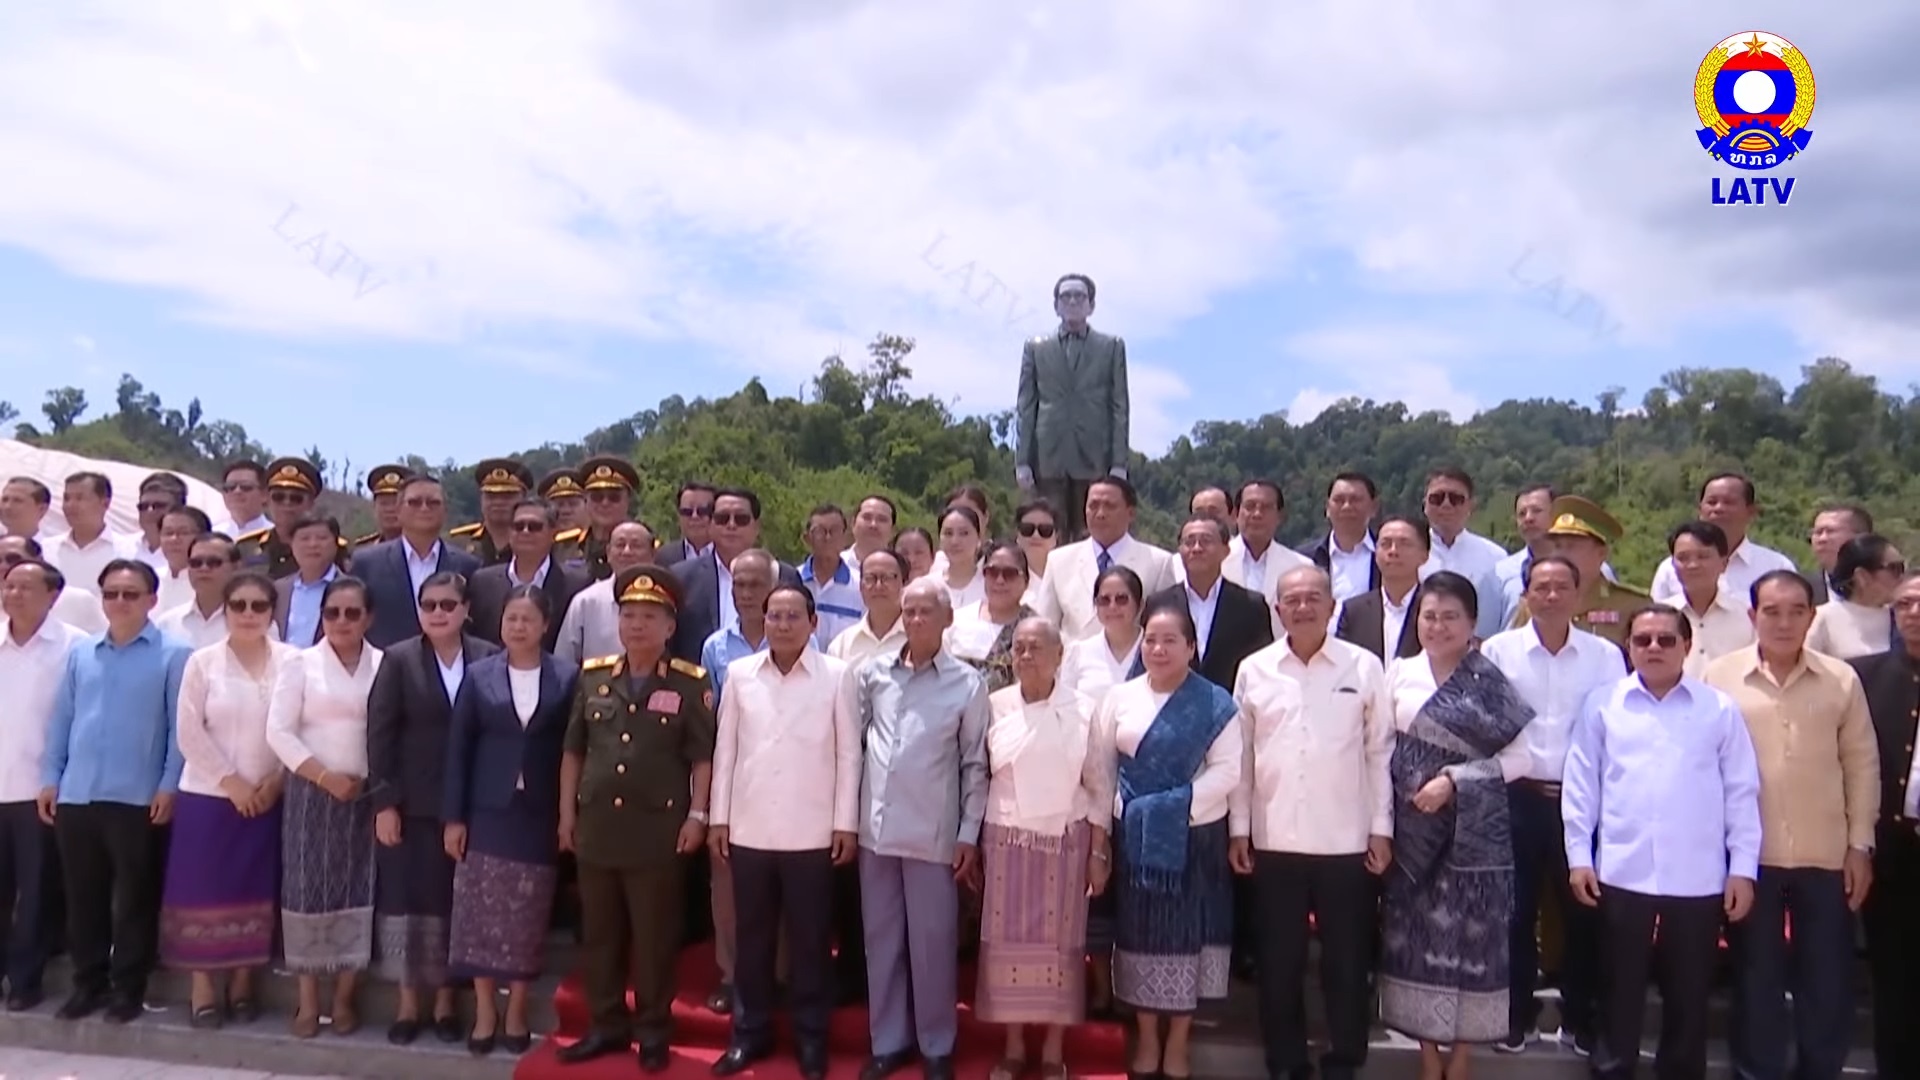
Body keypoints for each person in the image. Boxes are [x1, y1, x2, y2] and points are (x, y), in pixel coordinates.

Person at [1563, 604, 1762, 1080]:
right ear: (1628, 648)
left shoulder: (1717, 709)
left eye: (1665, 640)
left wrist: (1743, 868)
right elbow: (1581, 785)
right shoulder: (1604, 703)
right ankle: (1613, 1068)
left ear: (1687, 647)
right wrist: (1578, 856)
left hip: (1697, 875)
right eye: (1642, 640)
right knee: (1617, 988)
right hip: (1621, 869)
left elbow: (1741, 790)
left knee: (1689, 992)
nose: (1653, 648)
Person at [1705, 571, 1879, 1080]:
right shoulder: (1719, 677)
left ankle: (1819, 1069)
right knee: (1756, 978)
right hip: (1749, 858)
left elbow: (1862, 765)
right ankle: (1756, 1071)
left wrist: (1860, 846)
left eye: (1796, 611)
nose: (1783, 622)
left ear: (1811, 615)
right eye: (1772, 612)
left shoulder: (1842, 679)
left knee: (1826, 979)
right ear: (1752, 616)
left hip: (1826, 856)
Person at [1228, 566, 1392, 1080]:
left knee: (1346, 964)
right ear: (1278, 610)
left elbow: (1379, 752)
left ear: (1331, 605)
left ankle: (1344, 1059)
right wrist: (1239, 828)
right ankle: (1287, 1062)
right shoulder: (1255, 670)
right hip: (1274, 837)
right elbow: (1242, 756)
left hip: (1346, 839)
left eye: (1312, 598)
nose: (1302, 607)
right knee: (1280, 964)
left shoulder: (1363, 667)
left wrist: (1381, 827)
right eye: (1291, 600)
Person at [556, 567, 715, 1074]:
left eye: (649, 617)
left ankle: (652, 1030)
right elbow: (573, 751)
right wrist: (566, 815)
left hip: (658, 833)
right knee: (600, 933)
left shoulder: (690, 684)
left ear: (670, 628)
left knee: (653, 937)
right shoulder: (594, 675)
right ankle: (605, 1024)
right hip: (597, 828)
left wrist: (698, 815)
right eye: (629, 616)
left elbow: (702, 759)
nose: (637, 626)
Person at [1379, 571, 1533, 1080]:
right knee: (1416, 944)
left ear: (1472, 625)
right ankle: (1428, 1057)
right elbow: (1378, 750)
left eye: (1450, 617)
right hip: (1411, 835)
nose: (1438, 627)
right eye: (1429, 616)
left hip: (1471, 842)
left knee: (1471, 947)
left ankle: (1462, 1058)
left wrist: (1454, 780)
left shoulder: (1487, 680)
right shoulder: (1398, 674)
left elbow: (1522, 758)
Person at [707, 585, 860, 1080]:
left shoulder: (837, 676)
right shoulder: (739, 674)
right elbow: (725, 750)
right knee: (753, 941)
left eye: (794, 615)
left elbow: (848, 755)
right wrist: (719, 818)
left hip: (813, 832)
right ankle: (749, 1034)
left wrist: (845, 823)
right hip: (749, 828)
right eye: (775, 615)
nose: (783, 623)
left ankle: (811, 1038)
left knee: (811, 942)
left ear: (813, 623)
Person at [1478, 555, 1624, 1056]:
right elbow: (1486, 725)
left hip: (1581, 800)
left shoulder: (1605, 657)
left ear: (1579, 595)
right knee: (1513, 913)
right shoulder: (1499, 651)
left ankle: (1581, 1018)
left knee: (1584, 912)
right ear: (1526, 596)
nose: (1552, 595)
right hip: (1516, 797)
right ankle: (1515, 1018)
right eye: (1541, 587)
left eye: (1563, 586)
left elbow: (1613, 730)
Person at [38, 559, 191, 1025]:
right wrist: (52, 775)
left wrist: (167, 785)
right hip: (79, 793)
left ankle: (128, 987)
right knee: (83, 897)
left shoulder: (173, 654)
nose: (119, 602)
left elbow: (178, 729)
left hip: (137, 796)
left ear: (151, 600)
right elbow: (63, 718)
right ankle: (88, 983)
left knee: (133, 899)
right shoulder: (83, 653)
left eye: (130, 594)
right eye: (111, 594)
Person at [1097, 600, 1241, 1080]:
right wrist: (1115, 825)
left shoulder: (1215, 702)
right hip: (1135, 843)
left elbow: (1227, 772)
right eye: (1151, 640)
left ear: (1191, 647)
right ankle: (1147, 1037)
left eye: (1170, 641)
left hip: (1193, 839)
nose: (1158, 649)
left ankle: (1178, 1041)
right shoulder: (1120, 698)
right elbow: (1102, 772)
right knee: (1140, 938)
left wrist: (1169, 808)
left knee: (1187, 941)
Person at [852, 578, 989, 1080]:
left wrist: (968, 833)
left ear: (947, 619)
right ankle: (887, 1041)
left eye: (924, 611)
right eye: (907, 611)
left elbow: (975, 765)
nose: (913, 620)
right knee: (880, 940)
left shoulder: (967, 684)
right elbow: (855, 747)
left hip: (934, 834)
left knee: (932, 945)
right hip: (875, 830)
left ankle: (936, 1044)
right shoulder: (873, 673)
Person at [442, 585, 574, 1057]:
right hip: (486, 812)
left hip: (537, 814)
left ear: (544, 625)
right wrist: (453, 818)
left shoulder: (567, 676)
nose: (518, 626)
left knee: (526, 916)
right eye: (511, 618)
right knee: (478, 914)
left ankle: (516, 1009)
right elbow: (458, 751)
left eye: (527, 619)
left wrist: (568, 815)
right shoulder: (479, 677)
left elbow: (572, 750)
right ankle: (484, 1010)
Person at [366, 571, 495, 1044]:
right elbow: (379, 734)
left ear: (466, 609)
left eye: (447, 604)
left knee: (452, 905)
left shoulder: (487, 657)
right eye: (429, 605)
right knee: (406, 902)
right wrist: (384, 802)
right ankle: (407, 1005)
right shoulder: (399, 659)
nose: (438, 613)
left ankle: (444, 1003)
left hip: (468, 805)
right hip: (410, 804)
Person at [160, 572, 294, 1029]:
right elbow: (188, 731)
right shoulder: (203, 663)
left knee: (253, 888)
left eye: (259, 606)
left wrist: (275, 781)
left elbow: (299, 726)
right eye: (240, 605)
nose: (249, 614)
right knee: (203, 891)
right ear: (227, 610)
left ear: (272, 611)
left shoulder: (292, 662)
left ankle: (242, 983)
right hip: (209, 797)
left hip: (268, 795)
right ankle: (203, 989)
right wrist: (231, 782)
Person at [978, 617, 1109, 1080]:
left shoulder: (1084, 709)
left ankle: (1054, 1050)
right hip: (1007, 837)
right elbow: (979, 775)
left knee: (1060, 947)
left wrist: (1098, 850)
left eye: (1037, 647)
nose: (1027, 655)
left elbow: (1098, 784)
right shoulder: (994, 706)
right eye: (1020, 648)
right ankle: (1013, 1047)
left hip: (1065, 842)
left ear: (1059, 655)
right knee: (1007, 948)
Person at [265, 576, 383, 1038]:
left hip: (366, 794)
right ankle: (308, 1001)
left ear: (368, 618)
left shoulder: (384, 664)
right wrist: (323, 777)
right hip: (312, 793)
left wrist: (364, 782)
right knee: (305, 893)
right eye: (332, 613)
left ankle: (345, 999)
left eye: (352, 613)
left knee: (360, 889)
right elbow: (279, 731)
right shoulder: (301, 664)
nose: (341, 621)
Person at [0, 557, 87, 1011]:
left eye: (24, 587)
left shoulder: (76, 648)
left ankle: (25, 981)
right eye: (8, 585)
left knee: (36, 892)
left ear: (52, 596)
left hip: (41, 789)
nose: (12, 594)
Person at [1847, 573, 1920, 1079]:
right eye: (1905, 603)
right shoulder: (1862, 677)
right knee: (1894, 979)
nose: (1913, 612)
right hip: (1891, 854)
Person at [1014, 272, 1130, 540]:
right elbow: (1026, 406)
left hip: (1095, 456)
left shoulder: (1111, 347)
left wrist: (1119, 462)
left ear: (1091, 305)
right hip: (1048, 456)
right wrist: (1022, 461)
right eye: (1066, 296)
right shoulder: (1036, 347)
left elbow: (1119, 406)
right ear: (1056, 305)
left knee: (1091, 532)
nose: (1073, 301)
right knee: (1048, 531)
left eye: (1080, 296)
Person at [1032, 477, 1178, 642]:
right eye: (1093, 506)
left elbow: (1170, 628)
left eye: (1110, 506)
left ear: (1130, 513)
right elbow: (1044, 627)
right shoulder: (1058, 560)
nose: (1100, 514)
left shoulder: (1159, 563)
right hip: (1073, 664)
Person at [350, 474, 481, 649]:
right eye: (415, 502)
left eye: (433, 503)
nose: (424, 508)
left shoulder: (469, 566)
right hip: (385, 669)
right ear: (398, 510)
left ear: (445, 510)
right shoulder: (367, 563)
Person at [1511, 495, 1647, 650]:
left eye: (1571, 546)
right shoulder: (1534, 603)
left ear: (1601, 554)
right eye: (1557, 546)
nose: (1561, 554)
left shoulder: (1632, 605)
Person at [1648, 473, 1795, 600]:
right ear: (1700, 510)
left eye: (1729, 502)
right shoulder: (1671, 568)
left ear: (1751, 511)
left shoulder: (1776, 567)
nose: (1718, 508)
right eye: (1712, 502)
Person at [1654, 520, 1754, 676]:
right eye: (1683, 558)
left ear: (1724, 563)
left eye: (1703, 556)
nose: (1693, 565)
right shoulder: (1657, 618)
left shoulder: (1747, 616)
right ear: (1673, 565)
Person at [553, 520, 657, 667]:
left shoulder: (665, 601)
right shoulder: (586, 601)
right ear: (608, 553)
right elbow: (564, 662)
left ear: (653, 554)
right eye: (620, 545)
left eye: (636, 545)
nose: (627, 552)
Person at [1221, 479, 1311, 637]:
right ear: (1235, 514)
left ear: (1280, 516)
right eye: (1250, 507)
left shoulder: (1302, 567)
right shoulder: (1215, 560)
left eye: (1266, 508)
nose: (1257, 514)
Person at [1333, 514, 1427, 662]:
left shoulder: (1435, 608)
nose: (1393, 551)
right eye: (1385, 544)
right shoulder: (1354, 611)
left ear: (1425, 555)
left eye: (1404, 544)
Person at [945, 540, 1034, 692]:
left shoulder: (1035, 628)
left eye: (1009, 574)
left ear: (1025, 582)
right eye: (992, 572)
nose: (1000, 581)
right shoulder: (957, 621)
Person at [1807, 533, 1903, 659]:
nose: (1902, 577)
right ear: (1862, 576)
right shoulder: (1823, 618)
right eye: (1894, 569)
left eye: (1903, 568)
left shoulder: (1904, 616)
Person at [156, 532, 248, 648]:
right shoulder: (167, 623)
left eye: (213, 562)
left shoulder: (255, 621)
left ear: (236, 567)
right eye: (196, 563)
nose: (204, 568)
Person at [1297, 472, 1379, 602]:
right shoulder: (1304, 559)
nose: (1347, 506)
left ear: (1373, 507)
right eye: (1339, 500)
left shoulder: (1389, 555)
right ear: (1327, 508)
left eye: (1355, 500)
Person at [798, 504, 863, 648]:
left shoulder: (860, 586)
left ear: (846, 537)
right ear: (807, 538)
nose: (827, 537)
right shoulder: (793, 581)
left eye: (834, 531)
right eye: (820, 531)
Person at [1807, 504, 1872, 603]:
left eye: (1831, 531)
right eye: (1818, 532)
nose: (1822, 539)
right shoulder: (1802, 590)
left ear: (1862, 537)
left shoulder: (1890, 587)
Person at [935, 506, 988, 611]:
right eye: (948, 533)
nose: (955, 541)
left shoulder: (993, 587)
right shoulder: (927, 585)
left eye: (964, 533)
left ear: (979, 538)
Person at [1013, 499, 1061, 609]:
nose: (1036, 535)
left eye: (1045, 530)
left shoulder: (1068, 578)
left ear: (1056, 537)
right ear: (1017, 534)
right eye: (1027, 529)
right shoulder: (1006, 577)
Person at [660, 482, 719, 567]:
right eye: (687, 512)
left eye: (702, 511)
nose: (694, 517)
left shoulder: (729, 554)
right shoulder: (664, 556)